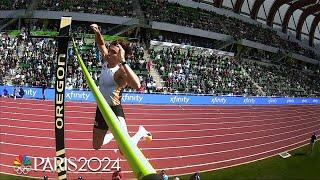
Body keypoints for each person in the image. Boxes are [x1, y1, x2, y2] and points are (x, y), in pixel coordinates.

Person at [90, 24, 152, 150]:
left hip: (114, 110)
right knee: (96, 146)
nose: (108, 53)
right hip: (101, 109)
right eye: (110, 50)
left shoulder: (121, 72)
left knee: (124, 151)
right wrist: (97, 32)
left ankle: (140, 132)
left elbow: (137, 85)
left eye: (113, 52)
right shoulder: (107, 61)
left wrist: (123, 61)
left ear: (119, 56)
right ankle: (114, 133)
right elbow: (101, 44)